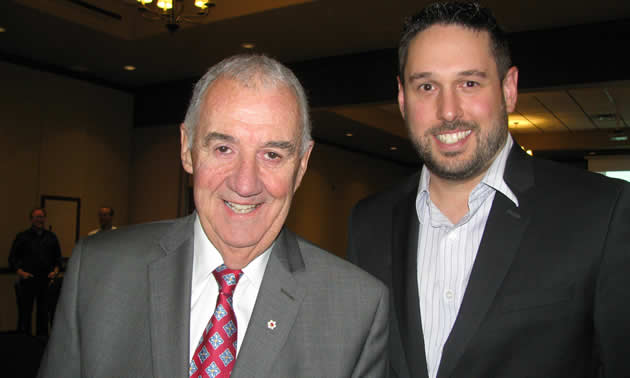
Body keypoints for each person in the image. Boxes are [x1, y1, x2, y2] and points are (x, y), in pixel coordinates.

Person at [38, 54, 389, 378]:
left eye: (271, 155)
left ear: (301, 166)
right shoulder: (99, 273)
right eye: (223, 148)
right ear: (187, 148)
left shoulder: (356, 311)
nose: (245, 183)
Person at [347, 2, 630, 378]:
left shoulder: (602, 213)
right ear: (402, 98)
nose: (448, 111)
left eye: (469, 83)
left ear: (508, 89)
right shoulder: (369, 222)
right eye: (427, 86)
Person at [9, 208, 62, 337]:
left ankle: (41, 344)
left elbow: (58, 260)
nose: (40, 220)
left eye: (42, 217)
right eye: (37, 217)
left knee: (43, 315)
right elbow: (12, 258)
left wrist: (55, 272)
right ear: (31, 219)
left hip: (46, 281)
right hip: (28, 280)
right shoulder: (22, 237)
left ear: (45, 218)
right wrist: (21, 273)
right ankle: (24, 343)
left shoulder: (51, 237)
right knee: (25, 314)